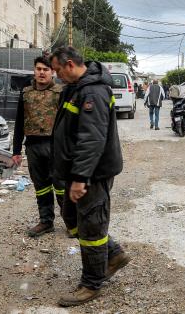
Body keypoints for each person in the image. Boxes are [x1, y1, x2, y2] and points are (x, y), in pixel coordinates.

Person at [50, 47, 129, 307]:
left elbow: (91, 139)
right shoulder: (77, 87)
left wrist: (80, 178)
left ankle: (91, 283)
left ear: (70, 64)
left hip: (92, 174)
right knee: (76, 218)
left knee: (91, 227)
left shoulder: (92, 91)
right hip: (78, 171)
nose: (56, 75)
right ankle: (114, 255)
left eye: (58, 70)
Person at [12, 56, 64, 238]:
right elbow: (19, 122)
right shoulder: (25, 93)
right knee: (41, 186)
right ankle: (46, 221)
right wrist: (16, 151)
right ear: (34, 70)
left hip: (56, 146)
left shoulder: (61, 92)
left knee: (61, 186)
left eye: (46, 69)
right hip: (33, 147)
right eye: (39, 69)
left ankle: (72, 223)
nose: (42, 72)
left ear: (53, 72)